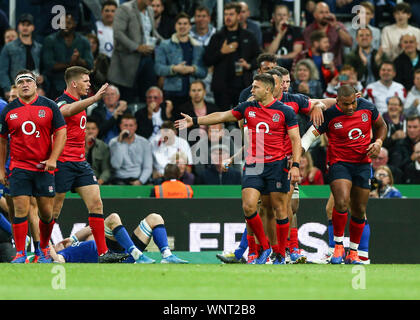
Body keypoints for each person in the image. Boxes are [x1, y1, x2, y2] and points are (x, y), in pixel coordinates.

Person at [176, 73, 302, 265]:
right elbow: (223, 115)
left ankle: (280, 253)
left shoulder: (285, 111)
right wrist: (196, 120)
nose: (251, 90)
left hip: (277, 165)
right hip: (253, 165)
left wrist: (295, 165)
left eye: (255, 87)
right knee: (249, 206)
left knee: (278, 209)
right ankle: (266, 247)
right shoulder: (247, 107)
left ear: (267, 89)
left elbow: (295, 139)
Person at [301, 85, 387, 264]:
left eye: (353, 103)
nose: (350, 108)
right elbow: (309, 136)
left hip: (363, 164)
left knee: (359, 210)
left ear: (357, 97)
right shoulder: (330, 114)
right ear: (337, 100)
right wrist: (297, 156)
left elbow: (381, 126)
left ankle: (354, 252)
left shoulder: (368, 107)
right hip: (339, 163)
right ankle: (338, 247)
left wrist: (378, 142)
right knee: (340, 202)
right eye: (346, 104)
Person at [0, 69, 67, 263]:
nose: (25, 84)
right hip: (19, 167)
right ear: (17, 86)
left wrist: (54, 158)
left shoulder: (49, 106)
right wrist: (1, 169)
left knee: (46, 213)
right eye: (20, 82)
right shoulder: (9, 110)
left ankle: (43, 249)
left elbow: (61, 133)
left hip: (43, 167)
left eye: (28, 81)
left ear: (35, 84)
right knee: (20, 209)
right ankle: (21, 253)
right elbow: (2, 141)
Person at [53, 66, 119, 263]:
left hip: (80, 164)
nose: (89, 85)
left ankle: (103, 253)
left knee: (96, 204)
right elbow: (65, 111)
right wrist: (94, 99)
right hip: (62, 163)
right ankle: (43, 251)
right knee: (53, 211)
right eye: (86, 81)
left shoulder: (80, 104)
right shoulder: (63, 101)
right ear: (74, 83)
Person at [49, 211, 187, 264]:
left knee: (155, 218)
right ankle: (136, 255)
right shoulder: (66, 254)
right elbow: (56, 258)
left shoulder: (78, 242)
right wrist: (48, 246)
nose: (58, 243)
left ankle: (167, 255)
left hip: (123, 250)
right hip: (114, 255)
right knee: (113, 217)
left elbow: (94, 227)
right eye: (56, 245)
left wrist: (72, 238)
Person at [203, 2, 260, 111]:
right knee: (222, 119)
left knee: (243, 120)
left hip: (243, 86)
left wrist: (248, 65)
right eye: (226, 14)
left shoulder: (249, 36)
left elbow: (258, 58)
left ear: (238, 16)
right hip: (221, 87)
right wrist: (222, 52)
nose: (227, 17)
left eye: (231, 14)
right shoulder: (217, 37)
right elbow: (207, 60)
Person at [108, 0, 161, 104]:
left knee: (147, 96)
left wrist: (167, 42)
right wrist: (137, 47)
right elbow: (118, 34)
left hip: (147, 58)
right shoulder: (124, 9)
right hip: (127, 61)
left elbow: (153, 33)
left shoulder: (150, 10)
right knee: (127, 99)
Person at [154, 12, 207, 111]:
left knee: (187, 125)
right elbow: (158, 68)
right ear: (175, 26)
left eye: (185, 23)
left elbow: (203, 72)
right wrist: (174, 68)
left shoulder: (198, 47)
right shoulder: (164, 45)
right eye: (179, 23)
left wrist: (193, 69)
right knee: (174, 123)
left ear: (190, 26)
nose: (182, 26)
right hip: (171, 92)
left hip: (192, 94)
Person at [42, 14, 94, 99]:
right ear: (58, 24)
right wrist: (70, 64)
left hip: (79, 86)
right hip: (55, 86)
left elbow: (90, 64)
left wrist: (79, 60)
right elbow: (49, 65)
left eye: (68, 23)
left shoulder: (84, 41)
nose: (65, 25)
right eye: (62, 23)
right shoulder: (50, 40)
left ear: (74, 24)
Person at [0, 14, 43, 99]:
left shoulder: (39, 48)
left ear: (33, 27)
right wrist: (8, 90)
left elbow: (45, 69)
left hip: (35, 91)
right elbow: (2, 71)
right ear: (18, 27)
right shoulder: (9, 47)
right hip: (16, 91)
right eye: (23, 24)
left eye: (28, 25)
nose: (25, 27)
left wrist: (43, 80)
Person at [303, 1, 353, 67]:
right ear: (315, 15)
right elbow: (308, 51)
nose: (325, 15)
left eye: (327, 12)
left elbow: (349, 43)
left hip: (336, 66)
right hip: (316, 66)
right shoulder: (308, 30)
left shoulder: (338, 26)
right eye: (321, 12)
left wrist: (336, 26)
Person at [109, 114, 153, 185]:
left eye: (131, 125)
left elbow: (147, 167)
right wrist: (119, 143)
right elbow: (116, 165)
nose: (128, 128)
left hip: (138, 178)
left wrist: (140, 181)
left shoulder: (144, 142)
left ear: (136, 127)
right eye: (125, 125)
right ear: (120, 127)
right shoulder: (113, 142)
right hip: (119, 179)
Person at [262, 4, 304, 71]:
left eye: (284, 15)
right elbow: (269, 54)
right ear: (274, 16)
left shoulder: (296, 31)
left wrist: (280, 57)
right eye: (279, 15)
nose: (282, 18)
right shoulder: (267, 33)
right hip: (274, 65)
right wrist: (280, 34)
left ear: (288, 16)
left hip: (292, 64)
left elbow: (297, 53)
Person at [85, 117, 112, 185]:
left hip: (97, 179)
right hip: (80, 179)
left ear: (97, 130)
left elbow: (106, 169)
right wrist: (87, 149)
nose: (90, 131)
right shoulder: (76, 145)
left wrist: (100, 181)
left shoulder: (103, 146)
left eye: (93, 129)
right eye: (87, 128)